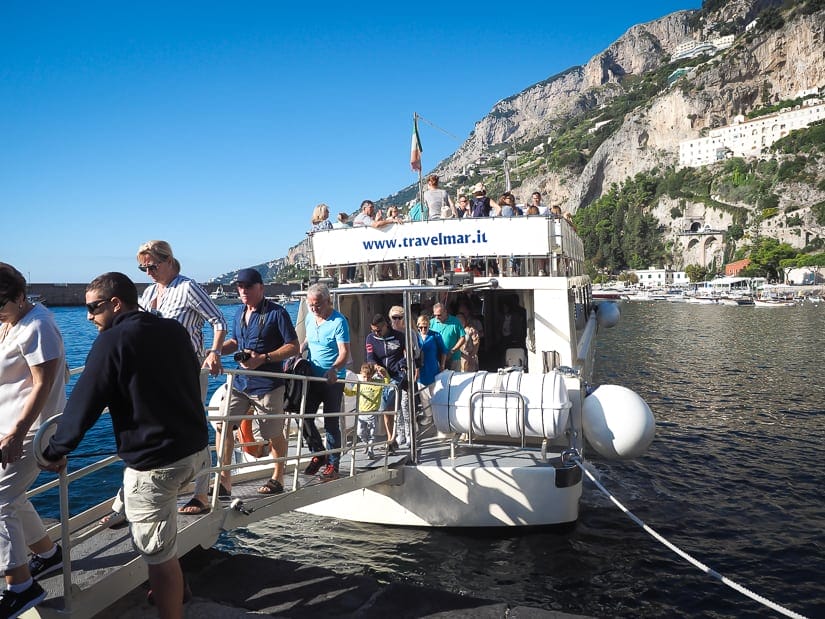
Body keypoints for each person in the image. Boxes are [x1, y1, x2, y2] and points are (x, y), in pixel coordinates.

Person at [40, 272, 210, 619]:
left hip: (155, 464)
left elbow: (84, 404)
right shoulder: (172, 330)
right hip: (194, 451)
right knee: (162, 530)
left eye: (93, 308)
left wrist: (56, 448)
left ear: (115, 303)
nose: (88, 316)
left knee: (156, 554)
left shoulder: (112, 340)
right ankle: (182, 588)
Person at [101, 241, 226, 523]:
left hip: (188, 370)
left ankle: (201, 493)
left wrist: (214, 353)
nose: (148, 272)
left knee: (194, 426)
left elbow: (217, 320)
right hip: (156, 373)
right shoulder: (148, 294)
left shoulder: (188, 288)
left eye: (152, 266)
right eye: (143, 268)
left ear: (169, 261)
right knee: (150, 431)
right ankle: (131, 502)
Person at [185, 268, 298, 509]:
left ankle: (277, 477)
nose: (243, 291)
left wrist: (264, 357)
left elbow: (293, 347)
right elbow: (235, 342)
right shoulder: (239, 313)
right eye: (239, 286)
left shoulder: (277, 313)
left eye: (248, 286)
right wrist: (214, 351)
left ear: (261, 287)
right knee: (224, 423)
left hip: (268, 383)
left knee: (272, 432)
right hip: (240, 383)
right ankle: (224, 480)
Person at [0, 263, 65, 617]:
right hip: (9, 427)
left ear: (21, 296)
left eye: (0, 305)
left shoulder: (38, 325)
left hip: (31, 431)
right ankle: (47, 553)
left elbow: (43, 385)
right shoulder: (11, 322)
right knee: (11, 496)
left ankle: (21, 587)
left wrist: (18, 433)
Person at [301, 283, 350, 481]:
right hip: (313, 377)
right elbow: (308, 341)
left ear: (328, 302)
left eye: (318, 305)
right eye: (311, 305)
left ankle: (333, 464)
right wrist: (299, 350)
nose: (314, 309)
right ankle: (318, 452)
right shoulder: (309, 318)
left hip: (333, 380)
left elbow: (344, 352)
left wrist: (334, 369)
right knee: (304, 415)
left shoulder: (339, 322)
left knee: (331, 422)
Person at [365, 314, 409, 449]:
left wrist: (403, 365)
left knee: (398, 406)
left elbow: (408, 354)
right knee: (386, 408)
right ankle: (391, 438)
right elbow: (370, 357)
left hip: (397, 374)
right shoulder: (370, 338)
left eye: (379, 330)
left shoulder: (399, 336)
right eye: (374, 330)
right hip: (382, 375)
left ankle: (401, 435)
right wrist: (376, 366)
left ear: (385, 325)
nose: (376, 333)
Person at [344, 363, 387, 459]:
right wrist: (343, 388)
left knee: (373, 433)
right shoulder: (360, 384)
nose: (366, 379)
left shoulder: (377, 383)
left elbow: (386, 381)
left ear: (372, 375)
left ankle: (371, 450)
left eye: (369, 377)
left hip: (373, 413)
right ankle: (366, 444)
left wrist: (384, 372)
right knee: (360, 432)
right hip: (361, 413)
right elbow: (351, 393)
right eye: (364, 377)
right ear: (361, 374)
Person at [428, 303, 465, 371]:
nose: (437, 317)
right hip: (437, 358)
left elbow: (462, 338)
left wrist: (452, 351)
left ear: (445, 312)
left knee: (454, 380)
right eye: (435, 315)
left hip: (453, 358)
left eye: (439, 315)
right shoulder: (431, 322)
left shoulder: (455, 321)